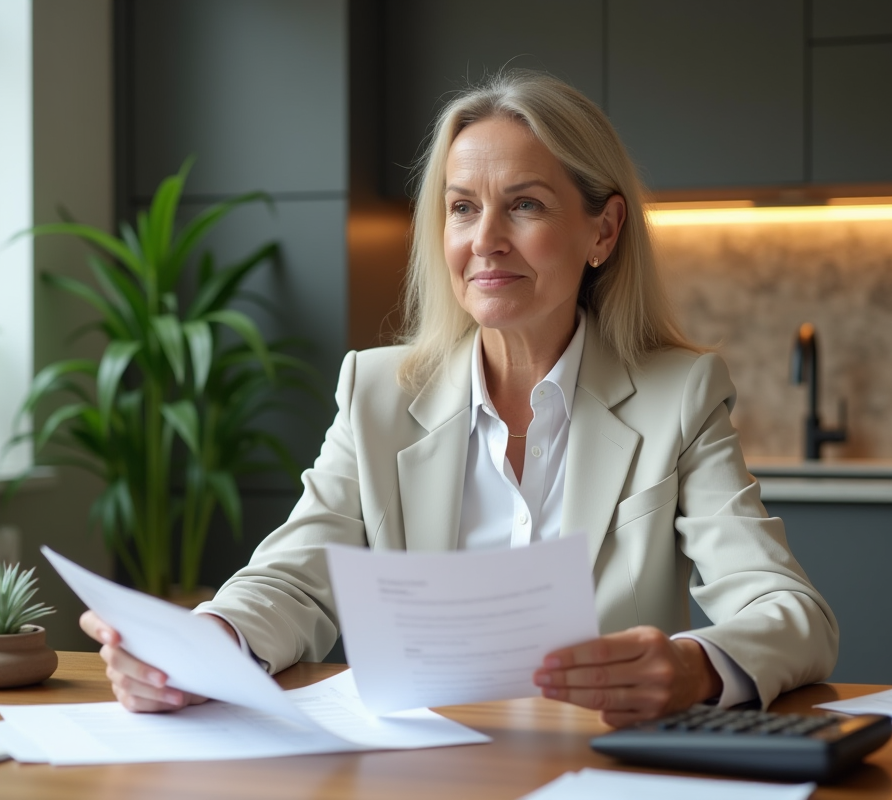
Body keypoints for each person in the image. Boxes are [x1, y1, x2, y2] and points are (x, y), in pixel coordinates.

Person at [82, 70, 838, 728]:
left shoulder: (677, 397)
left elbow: (792, 615)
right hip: (423, 773)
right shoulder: (376, 392)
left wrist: (695, 666)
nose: (486, 240)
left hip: (599, 771)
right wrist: (209, 642)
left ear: (602, 231)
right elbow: (293, 577)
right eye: (462, 207)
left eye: (527, 206)